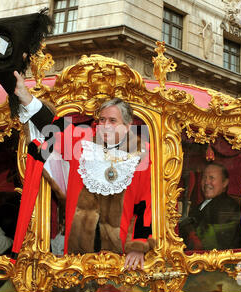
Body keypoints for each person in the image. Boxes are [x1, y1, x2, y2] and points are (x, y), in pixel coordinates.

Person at [11, 71, 153, 270]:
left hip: (119, 258)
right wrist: (25, 96)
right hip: (77, 256)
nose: (105, 126)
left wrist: (138, 245)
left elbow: (146, 204)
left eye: (112, 121)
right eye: (102, 120)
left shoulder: (141, 154)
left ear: (128, 125)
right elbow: (52, 126)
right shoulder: (82, 142)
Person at [179, 162, 241, 250]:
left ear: (225, 183)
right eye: (204, 178)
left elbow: (208, 241)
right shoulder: (201, 205)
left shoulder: (228, 207)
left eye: (211, 178)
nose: (207, 182)